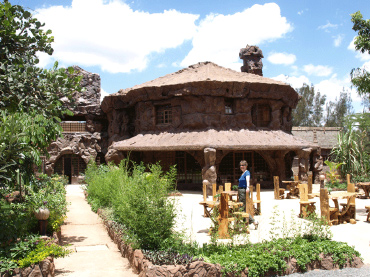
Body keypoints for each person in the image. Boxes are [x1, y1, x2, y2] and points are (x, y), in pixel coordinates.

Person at [238, 160, 258, 229]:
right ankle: (245, 223)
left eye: (243, 165)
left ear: (246, 166)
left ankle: (253, 221)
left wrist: (247, 187)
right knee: (242, 207)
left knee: (242, 207)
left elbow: (248, 180)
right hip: (241, 190)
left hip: (243, 190)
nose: (242, 167)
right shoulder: (242, 173)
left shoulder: (247, 172)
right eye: (241, 165)